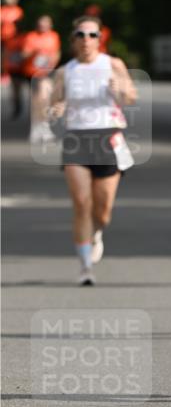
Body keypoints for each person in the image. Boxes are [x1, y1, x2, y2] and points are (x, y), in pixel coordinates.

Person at [49, 15, 137, 285]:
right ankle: (85, 266)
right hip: (76, 139)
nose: (86, 40)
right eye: (81, 35)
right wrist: (57, 110)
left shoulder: (113, 65)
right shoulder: (66, 70)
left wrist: (120, 88)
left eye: (92, 35)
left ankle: (97, 231)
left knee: (102, 210)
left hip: (107, 137)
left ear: (101, 38)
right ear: (73, 39)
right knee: (81, 204)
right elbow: (53, 106)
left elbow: (131, 97)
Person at [20, 15, 61, 142]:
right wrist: (34, 51)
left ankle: (44, 127)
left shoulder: (54, 36)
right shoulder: (31, 36)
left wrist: (53, 61)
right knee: (36, 101)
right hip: (32, 73)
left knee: (45, 98)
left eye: (46, 24)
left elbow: (57, 52)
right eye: (41, 24)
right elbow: (23, 54)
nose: (43, 26)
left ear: (50, 25)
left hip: (47, 72)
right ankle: (36, 128)